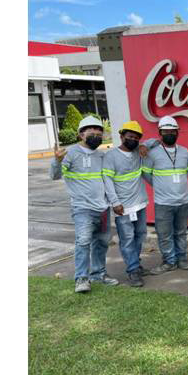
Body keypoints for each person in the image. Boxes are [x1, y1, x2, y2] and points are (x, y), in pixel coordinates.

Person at [50, 115, 118, 293]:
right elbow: (55, 176)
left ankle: (99, 273)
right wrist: (56, 161)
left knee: (102, 243)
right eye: (92, 131)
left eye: (99, 132)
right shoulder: (70, 153)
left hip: (103, 208)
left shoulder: (101, 155)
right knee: (83, 242)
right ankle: (81, 278)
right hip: (82, 208)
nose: (96, 134)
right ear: (81, 134)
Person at [141, 116, 188, 274]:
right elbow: (146, 174)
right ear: (160, 133)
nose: (170, 134)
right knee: (165, 235)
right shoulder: (152, 153)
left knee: (181, 232)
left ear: (178, 132)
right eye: (166, 131)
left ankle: (181, 259)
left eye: (173, 131)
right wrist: (160, 185)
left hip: (184, 201)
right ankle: (169, 262)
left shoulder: (185, 152)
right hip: (163, 203)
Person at [102, 121, 152, 287]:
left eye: (137, 138)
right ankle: (132, 270)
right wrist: (115, 202)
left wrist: (144, 144)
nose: (133, 140)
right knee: (127, 238)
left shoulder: (138, 151)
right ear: (121, 136)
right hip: (122, 207)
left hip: (140, 204)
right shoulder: (111, 156)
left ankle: (136, 264)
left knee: (140, 235)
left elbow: (156, 141)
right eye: (130, 136)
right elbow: (107, 180)